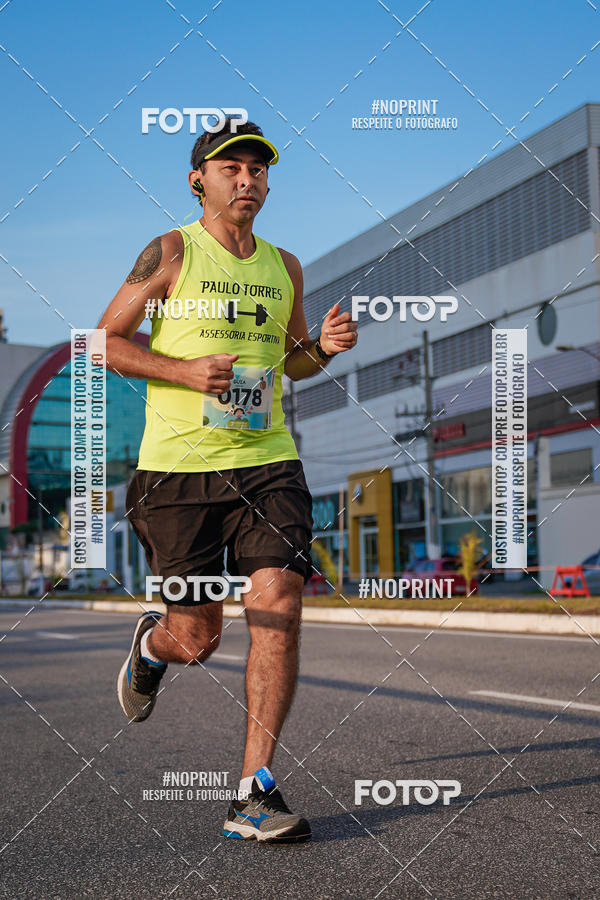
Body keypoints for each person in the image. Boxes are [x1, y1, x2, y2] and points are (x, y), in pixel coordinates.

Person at [98, 118, 358, 842]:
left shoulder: (286, 266)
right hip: (178, 472)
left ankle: (255, 792)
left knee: (279, 597)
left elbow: (292, 359)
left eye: (259, 170)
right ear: (199, 180)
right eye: (231, 168)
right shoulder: (172, 251)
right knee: (199, 636)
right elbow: (101, 342)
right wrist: (181, 369)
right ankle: (155, 647)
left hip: (268, 459)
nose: (248, 179)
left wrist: (323, 349)